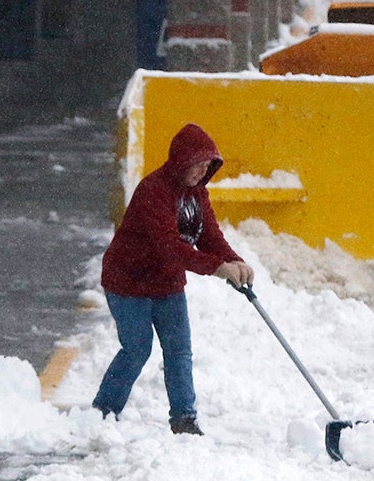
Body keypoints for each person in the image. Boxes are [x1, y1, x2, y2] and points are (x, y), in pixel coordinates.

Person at [92, 123, 254, 435]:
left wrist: (234, 260)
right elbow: (169, 247)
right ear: (181, 161)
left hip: (167, 285)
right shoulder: (153, 191)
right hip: (129, 283)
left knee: (179, 351)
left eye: (208, 164)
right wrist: (217, 268)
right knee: (137, 349)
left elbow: (209, 237)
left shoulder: (197, 195)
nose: (203, 170)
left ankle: (184, 418)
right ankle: (104, 411)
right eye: (198, 163)